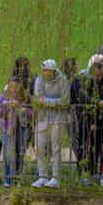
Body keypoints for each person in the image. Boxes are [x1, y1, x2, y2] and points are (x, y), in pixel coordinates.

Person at [32, 59, 70, 189]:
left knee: (56, 149)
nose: (45, 73)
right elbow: (38, 99)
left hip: (57, 118)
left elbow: (65, 100)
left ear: (53, 71)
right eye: (43, 71)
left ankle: (55, 177)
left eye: (47, 71)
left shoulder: (62, 80)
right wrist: (53, 101)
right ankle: (42, 176)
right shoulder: (39, 80)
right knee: (39, 147)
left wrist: (48, 102)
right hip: (43, 118)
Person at [0, 77, 32, 187]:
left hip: (21, 127)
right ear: (8, 86)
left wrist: (22, 109)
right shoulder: (3, 97)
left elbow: (31, 112)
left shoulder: (25, 97)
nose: (14, 89)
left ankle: (17, 179)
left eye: (16, 87)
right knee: (10, 154)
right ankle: (8, 180)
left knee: (20, 153)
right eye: (11, 87)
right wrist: (8, 106)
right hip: (7, 129)